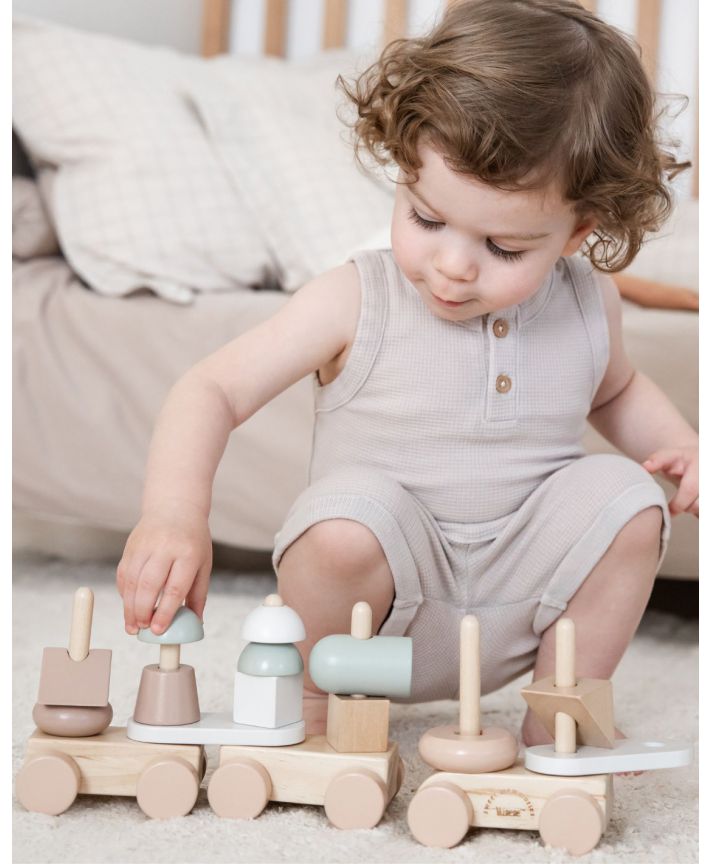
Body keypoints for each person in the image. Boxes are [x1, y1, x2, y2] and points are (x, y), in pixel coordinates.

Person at [116, 0, 698, 746]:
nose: (452, 266)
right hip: (369, 614)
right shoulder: (355, 297)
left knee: (629, 499)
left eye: (503, 247)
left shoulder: (589, 301)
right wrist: (173, 515)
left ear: (576, 231)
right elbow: (211, 388)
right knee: (346, 522)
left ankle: (558, 722)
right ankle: (315, 712)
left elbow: (616, 391)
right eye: (426, 219)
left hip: (519, 603)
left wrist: (683, 445)